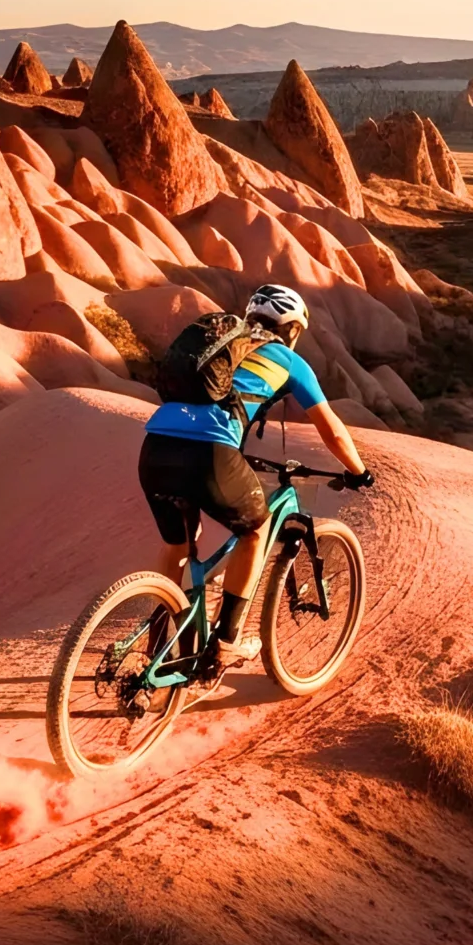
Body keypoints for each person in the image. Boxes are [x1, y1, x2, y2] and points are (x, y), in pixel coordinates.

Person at [137, 285, 372, 665]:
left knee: (179, 545)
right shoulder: (289, 361)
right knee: (256, 530)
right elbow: (333, 431)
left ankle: (156, 646)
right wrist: (359, 473)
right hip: (208, 452)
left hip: (155, 447)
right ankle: (226, 642)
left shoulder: (223, 346)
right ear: (292, 330)